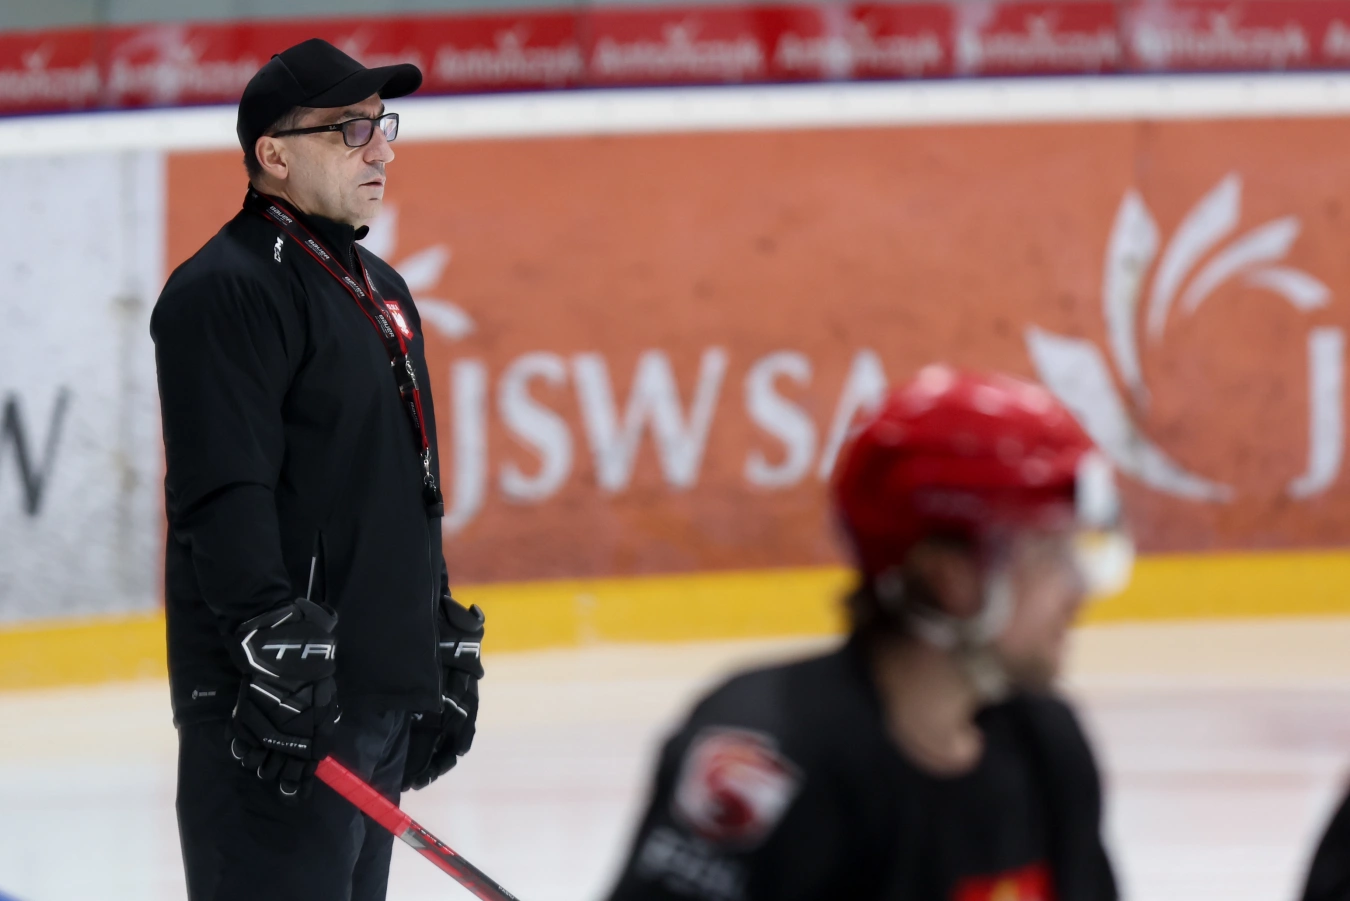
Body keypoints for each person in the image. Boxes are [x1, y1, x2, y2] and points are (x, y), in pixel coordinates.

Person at [150, 38, 484, 901]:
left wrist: (430, 635)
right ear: (274, 153)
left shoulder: (380, 289)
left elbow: (402, 483)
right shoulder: (225, 289)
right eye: (349, 130)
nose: (381, 149)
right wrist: (271, 646)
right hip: (274, 717)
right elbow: (223, 489)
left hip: (368, 698)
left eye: (381, 125)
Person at [605, 366, 1129, 901]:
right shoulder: (765, 760)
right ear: (947, 578)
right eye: (1046, 553)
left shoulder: (1045, 747)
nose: (1078, 590)